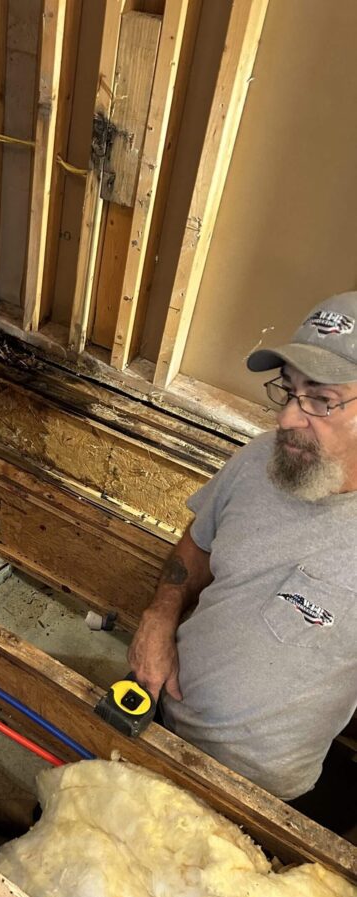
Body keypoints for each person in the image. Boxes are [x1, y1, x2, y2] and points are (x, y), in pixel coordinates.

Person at [129, 292, 357, 813]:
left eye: (321, 400)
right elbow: (196, 546)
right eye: (289, 391)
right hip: (158, 709)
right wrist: (159, 617)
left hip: (262, 794)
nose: (286, 420)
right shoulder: (259, 461)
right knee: (72, 827)